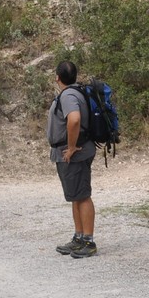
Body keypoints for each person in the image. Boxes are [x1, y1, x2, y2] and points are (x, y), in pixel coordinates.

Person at [48, 60, 97, 257]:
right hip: (75, 153)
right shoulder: (75, 93)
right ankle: (79, 238)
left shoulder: (68, 95)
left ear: (57, 77)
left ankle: (88, 242)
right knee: (76, 195)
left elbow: (74, 119)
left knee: (82, 195)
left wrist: (70, 147)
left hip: (75, 154)